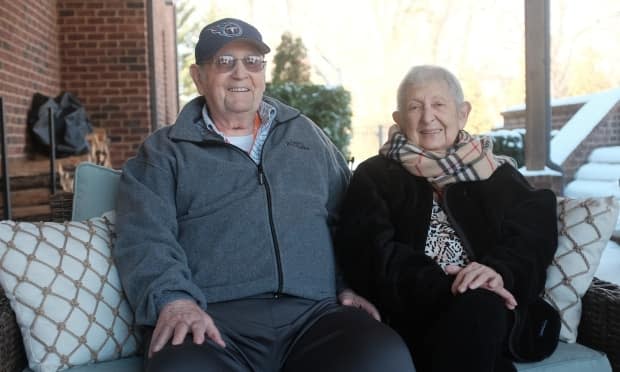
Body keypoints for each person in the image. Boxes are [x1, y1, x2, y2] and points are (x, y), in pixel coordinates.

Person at [113, 18, 415, 372]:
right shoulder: (165, 152)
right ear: (198, 77)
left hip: (313, 315)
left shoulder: (305, 136)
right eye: (225, 62)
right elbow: (145, 236)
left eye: (252, 62)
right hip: (213, 320)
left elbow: (349, 219)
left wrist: (348, 284)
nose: (240, 73)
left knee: (382, 356)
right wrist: (174, 300)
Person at [334, 65, 560, 372]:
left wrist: (498, 272)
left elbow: (534, 235)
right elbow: (371, 253)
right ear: (400, 120)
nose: (428, 117)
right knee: (476, 317)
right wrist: (450, 286)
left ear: (462, 113)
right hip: (414, 310)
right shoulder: (375, 176)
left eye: (439, 104)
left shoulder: (496, 173)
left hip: (496, 307)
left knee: (480, 308)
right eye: (415, 107)